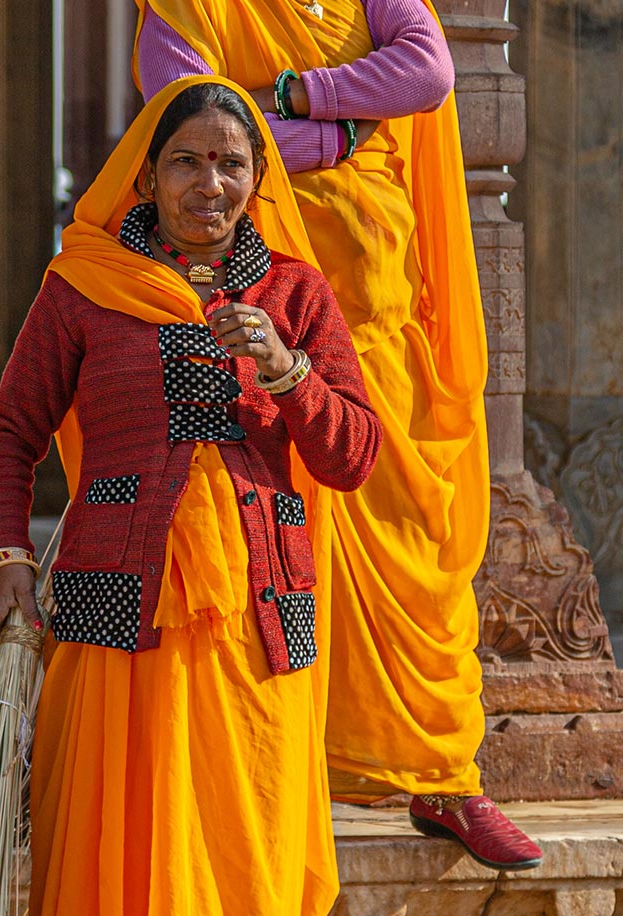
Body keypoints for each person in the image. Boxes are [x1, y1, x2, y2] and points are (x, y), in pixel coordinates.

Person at [0, 77, 381, 916]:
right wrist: (11, 562)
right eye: (190, 163)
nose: (213, 184)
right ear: (145, 176)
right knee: (149, 857)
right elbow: (9, 425)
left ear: (262, 180)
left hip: (263, 612)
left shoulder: (294, 292)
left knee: (251, 860)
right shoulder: (86, 287)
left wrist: (289, 371)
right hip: (122, 609)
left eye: (234, 165)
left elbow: (354, 453)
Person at [135, 0, 545, 872]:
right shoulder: (183, 12)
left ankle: (444, 775)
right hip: (252, 324)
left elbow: (428, 70)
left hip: (384, 325)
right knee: (251, 557)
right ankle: (269, 776)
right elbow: (197, 146)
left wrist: (290, 93)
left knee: (417, 545)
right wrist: (350, 132)